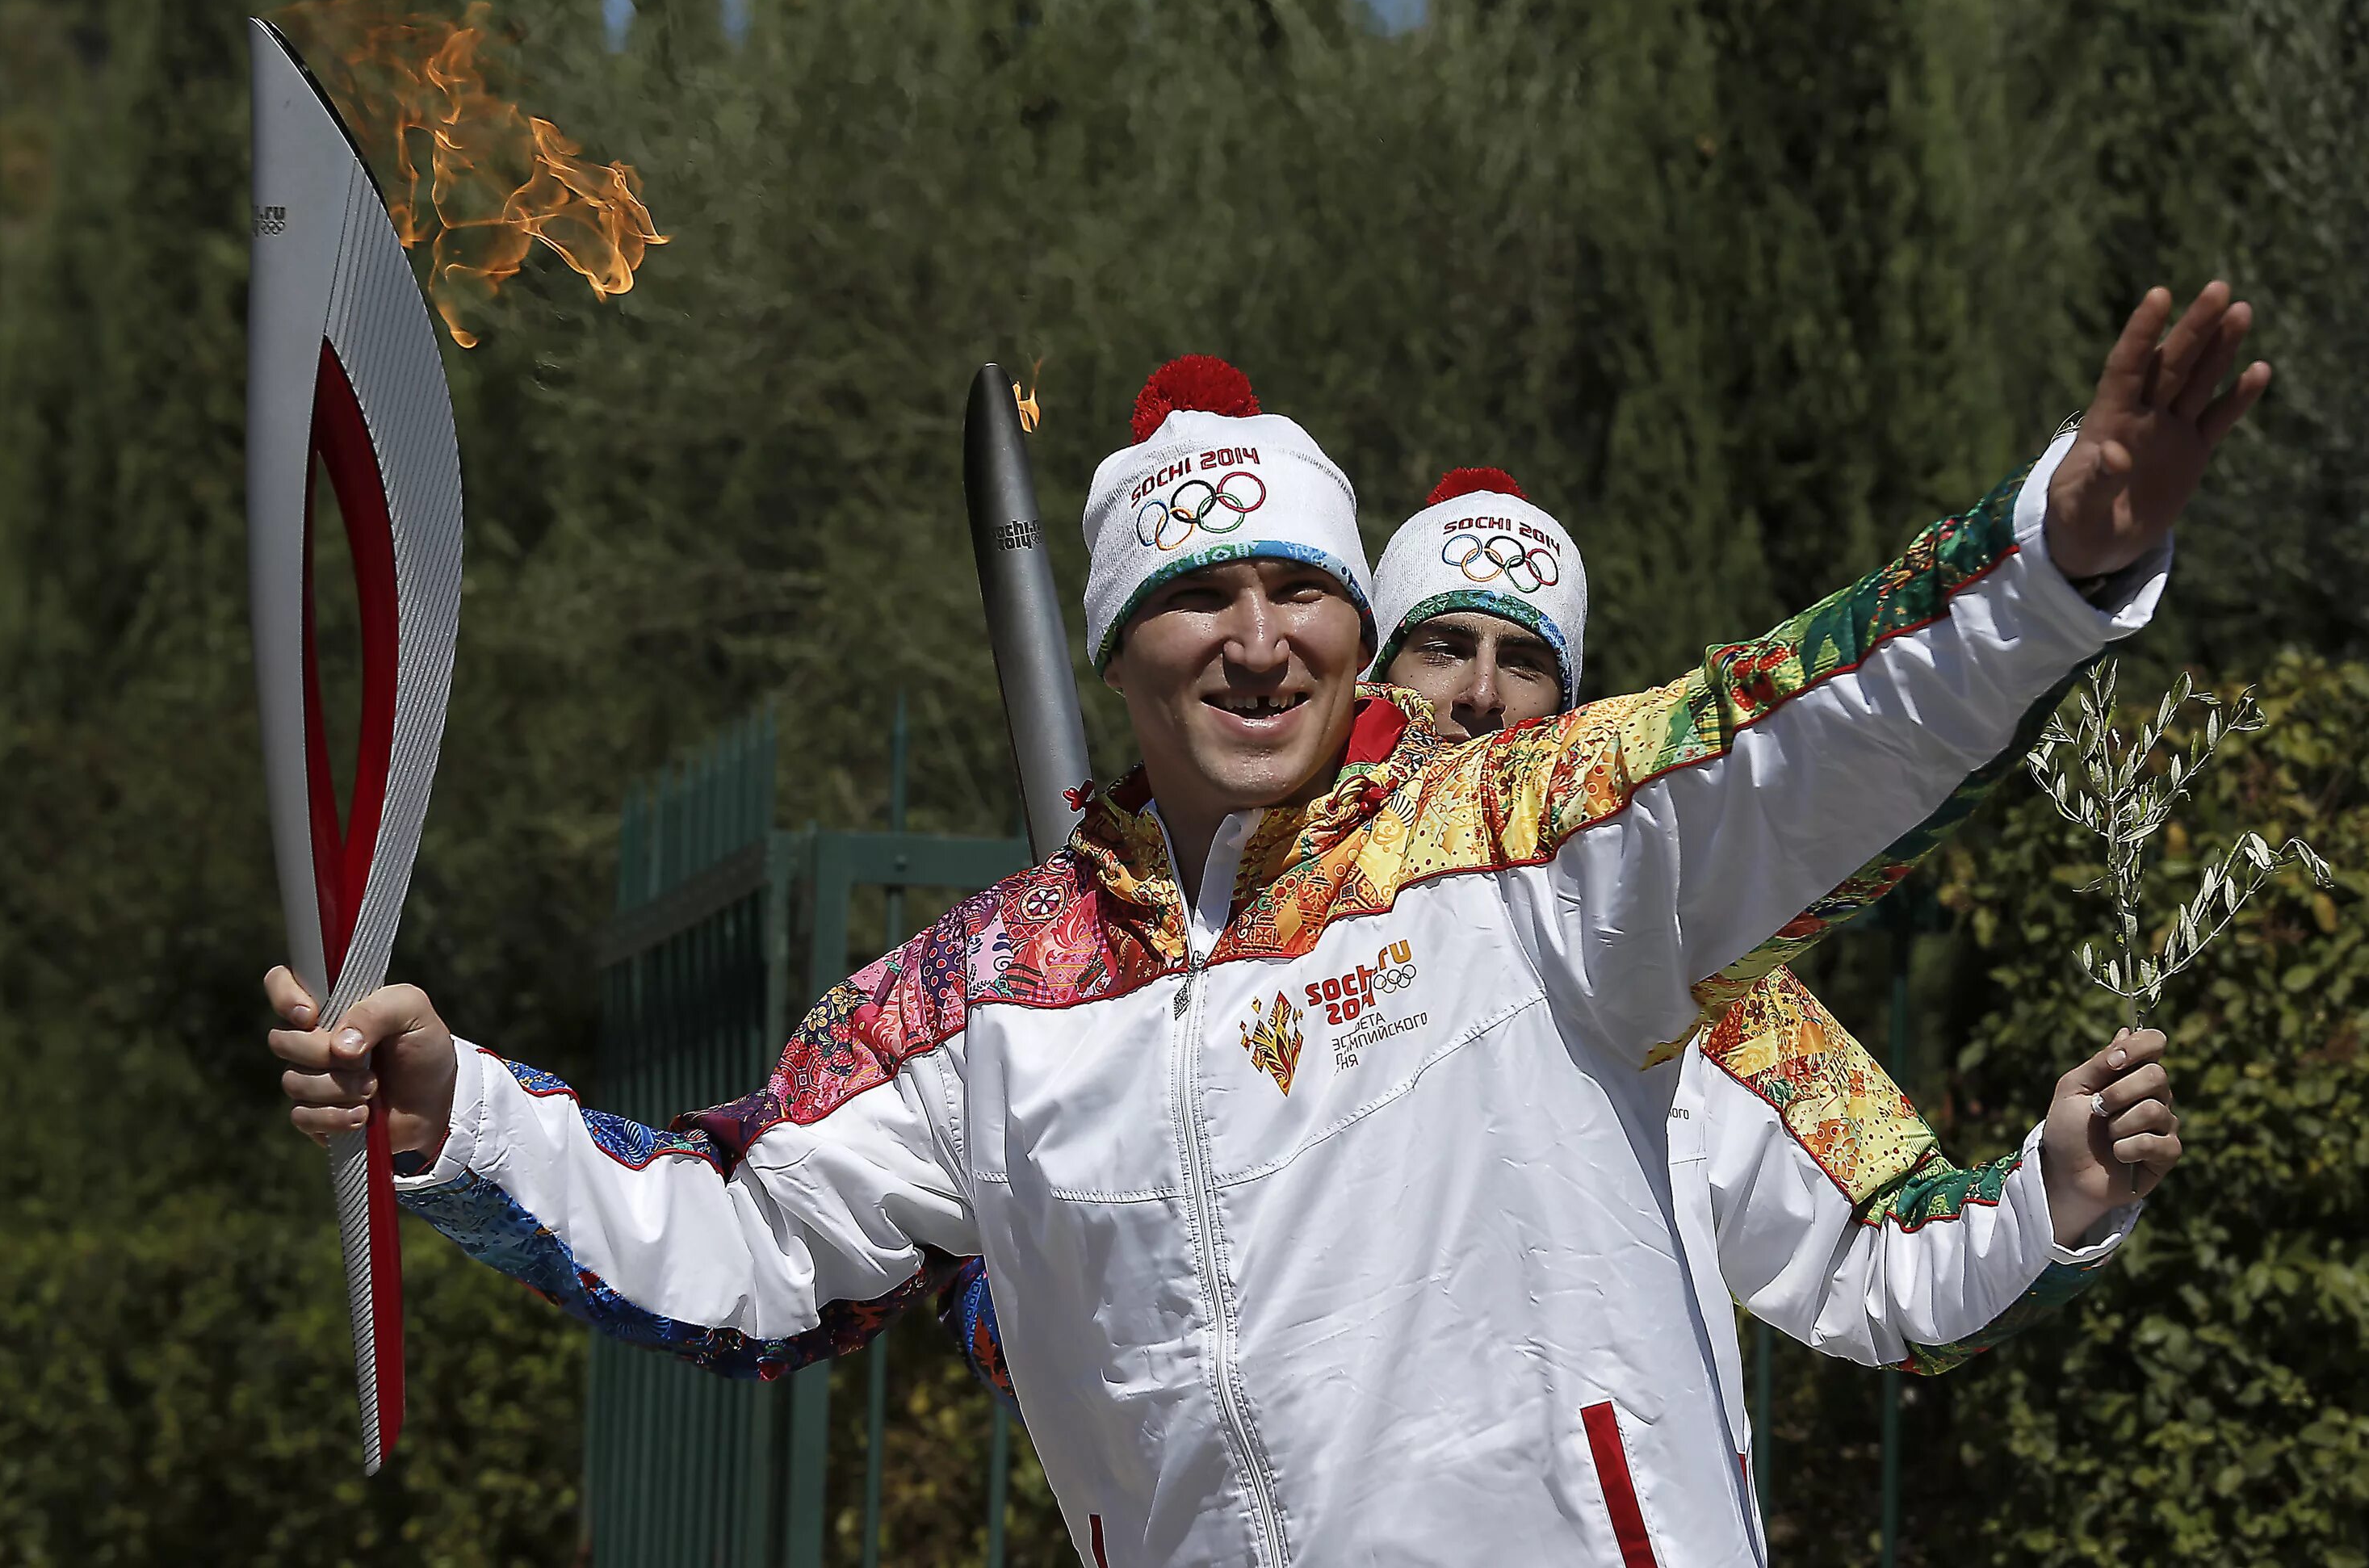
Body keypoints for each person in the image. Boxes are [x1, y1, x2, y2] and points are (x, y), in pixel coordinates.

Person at [267, 286, 2261, 1567]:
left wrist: (2057, 561)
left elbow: (1791, 725)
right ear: (1119, 649)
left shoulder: (1511, 850)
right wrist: (471, 1119)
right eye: (1194, 595)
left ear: (1344, 624)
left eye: (1298, 588)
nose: (1255, 636)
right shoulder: (986, 992)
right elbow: (745, 1239)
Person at [937, 466, 2187, 1468]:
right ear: (1369, 669)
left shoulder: (1702, 987)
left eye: (1523, 660)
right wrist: (1038, 1288)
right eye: (1442, 647)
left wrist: (2051, 1199)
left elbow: (1885, 1264)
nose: (1481, 695)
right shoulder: (1171, 975)